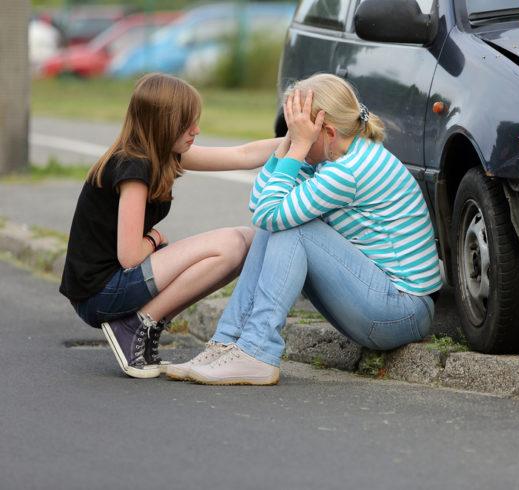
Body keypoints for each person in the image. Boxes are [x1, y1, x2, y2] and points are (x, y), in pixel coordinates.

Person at [168, 73, 443, 385]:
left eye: (299, 130)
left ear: (325, 131)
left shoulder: (347, 172)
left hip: (403, 312)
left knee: (292, 228)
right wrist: (291, 146)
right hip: (384, 302)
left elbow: (270, 213)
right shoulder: (333, 155)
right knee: (276, 226)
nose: (293, 136)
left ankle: (257, 351)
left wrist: (296, 150)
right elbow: (262, 210)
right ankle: (228, 342)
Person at [59, 73, 280, 379]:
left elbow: (241, 155)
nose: (197, 130)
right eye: (188, 123)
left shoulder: (161, 154)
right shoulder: (133, 167)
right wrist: (154, 238)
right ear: (163, 124)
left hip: (114, 285)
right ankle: (135, 325)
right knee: (232, 242)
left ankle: (143, 323)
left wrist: (299, 140)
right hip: (100, 294)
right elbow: (130, 256)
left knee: (243, 243)